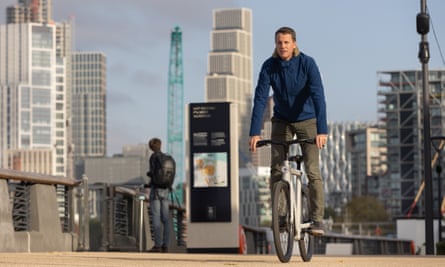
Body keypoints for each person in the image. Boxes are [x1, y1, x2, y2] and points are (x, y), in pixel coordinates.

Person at [249, 26, 328, 236]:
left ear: (294, 44)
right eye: (279, 43)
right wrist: (255, 132)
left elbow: (319, 96)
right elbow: (259, 99)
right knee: (276, 168)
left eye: (286, 42)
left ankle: (317, 219)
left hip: (307, 120)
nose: (282, 46)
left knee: (312, 170)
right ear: (275, 44)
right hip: (282, 120)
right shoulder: (269, 66)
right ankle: (282, 216)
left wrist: (322, 130)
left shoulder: (307, 63)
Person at [146, 137, 171, 252]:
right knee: (165, 218)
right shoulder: (167, 157)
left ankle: (157, 245)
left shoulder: (153, 157)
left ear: (151, 147)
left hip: (156, 190)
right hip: (166, 190)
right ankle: (165, 245)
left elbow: (152, 173)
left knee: (156, 217)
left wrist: (149, 174)